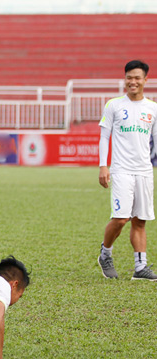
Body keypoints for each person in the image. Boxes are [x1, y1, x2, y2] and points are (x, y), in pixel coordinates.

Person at [97, 60, 157, 281]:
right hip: (121, 169)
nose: (133, 82)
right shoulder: (113, 105)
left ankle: (140, 268)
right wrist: (104, 165)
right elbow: (105, 136)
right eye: (129, 77)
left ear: (145, 80)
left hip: (144, 171)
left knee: (140, 220)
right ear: (125, 79)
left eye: (137, 78)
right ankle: (105, 253)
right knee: (121, 218)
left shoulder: (152, 108)